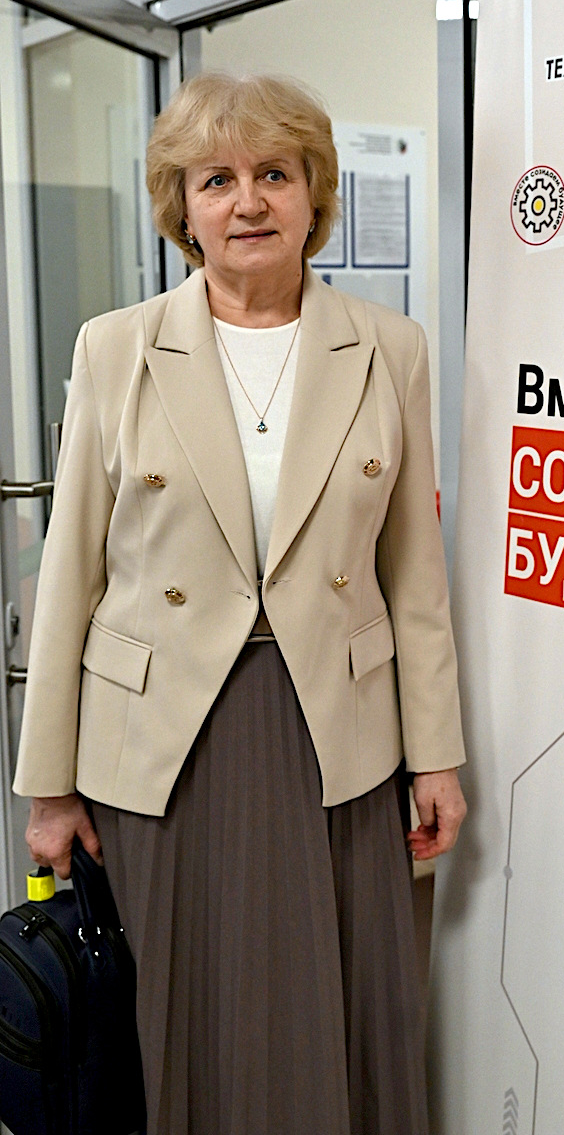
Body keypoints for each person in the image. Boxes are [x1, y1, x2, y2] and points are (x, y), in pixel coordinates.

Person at [12, 71, 467, 1135]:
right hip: (161, 744)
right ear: (183, 207)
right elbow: (71, 573)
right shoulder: (115, 347)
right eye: (215, 179)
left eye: (274, 173)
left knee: (339, 1012)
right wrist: (48, 788)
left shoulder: (389, 347)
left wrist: (437, 754)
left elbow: (413, 572)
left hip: (337, 735)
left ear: (314, 195)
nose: (248, 201)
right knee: (178, 1020)